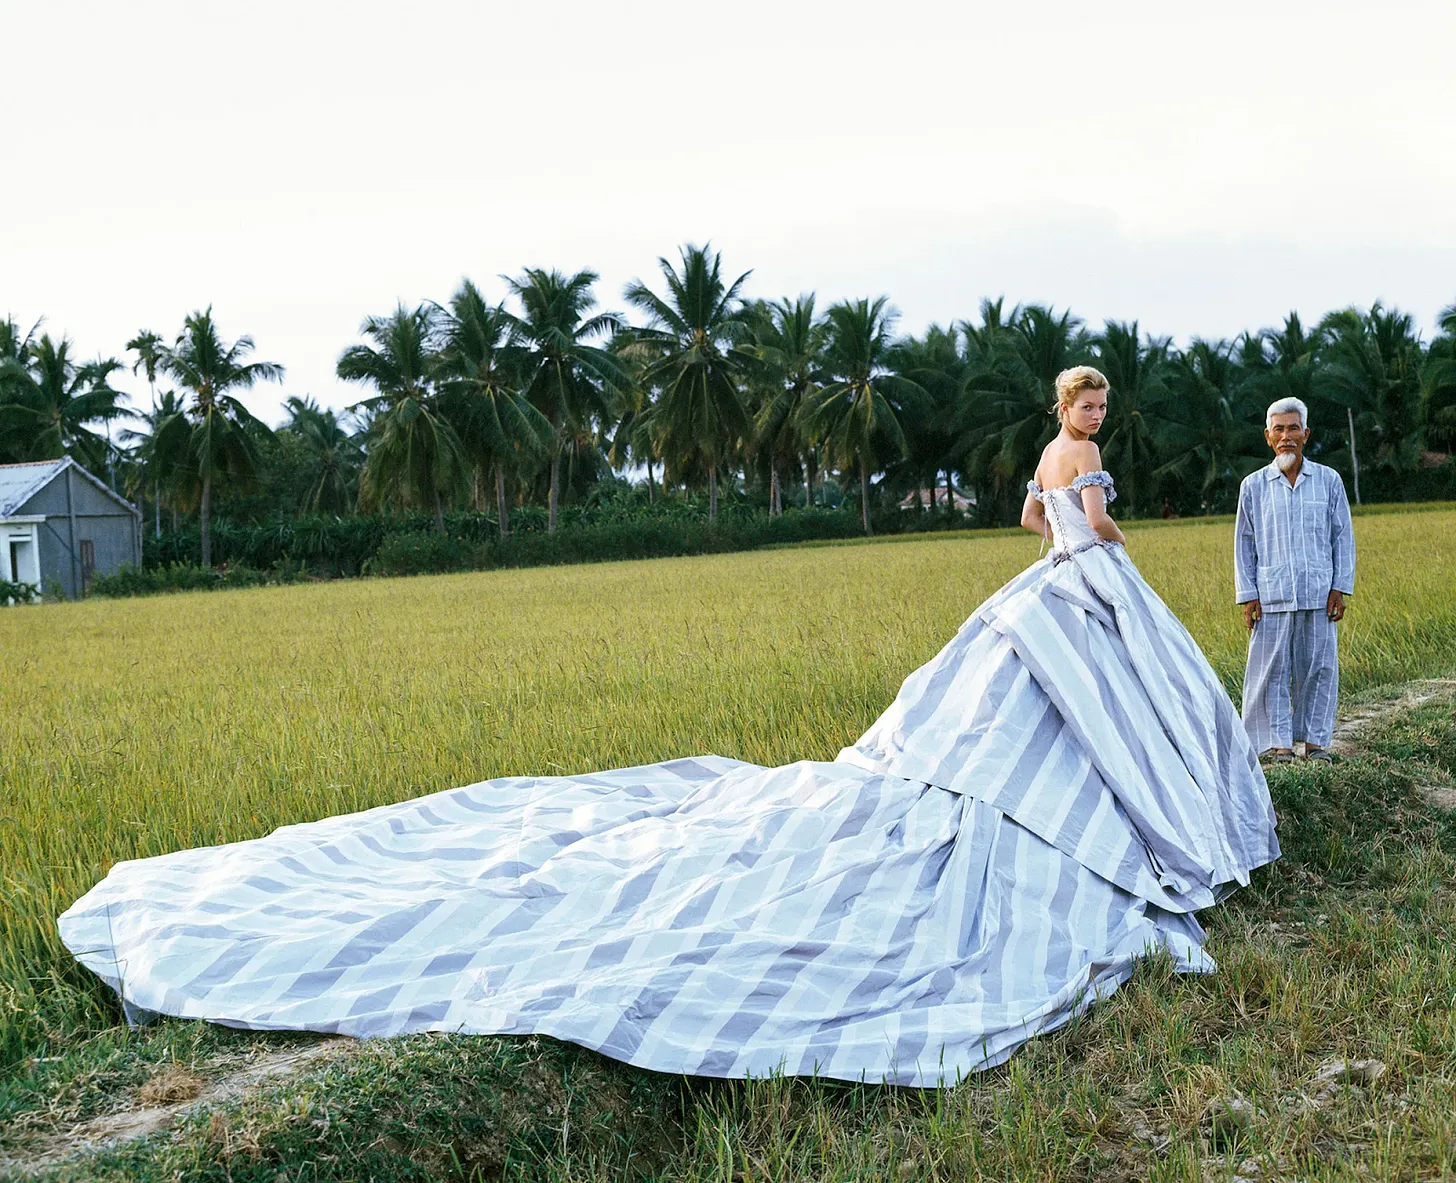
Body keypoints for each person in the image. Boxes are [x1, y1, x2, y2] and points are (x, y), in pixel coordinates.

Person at [59, 367, 1279, 1089]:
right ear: (1074, 410)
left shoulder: (1043, 460)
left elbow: (1030, 524)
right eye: (1090, 400)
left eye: (1096, 402)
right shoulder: (1087, 466)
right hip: (1084, 594)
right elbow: (1081, 530)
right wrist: (1111, 540)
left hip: (1042, 599)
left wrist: (1073, 536)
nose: (1095, 412)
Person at [1235, 397, 1356, 763]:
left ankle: (1316, 743)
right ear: (1267, 437)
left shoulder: (1328, 480)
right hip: (1271, 595)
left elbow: (1342, 536)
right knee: (1272, 670)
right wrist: (1248, 595)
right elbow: (1244, 542)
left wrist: (1340, 587)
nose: (1286, 436)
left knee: (1319, 667)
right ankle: (1279, 744)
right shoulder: (1253, 486)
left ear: (1306, 434)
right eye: (1279, 429)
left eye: (1293, 428)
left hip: (1319, 592)